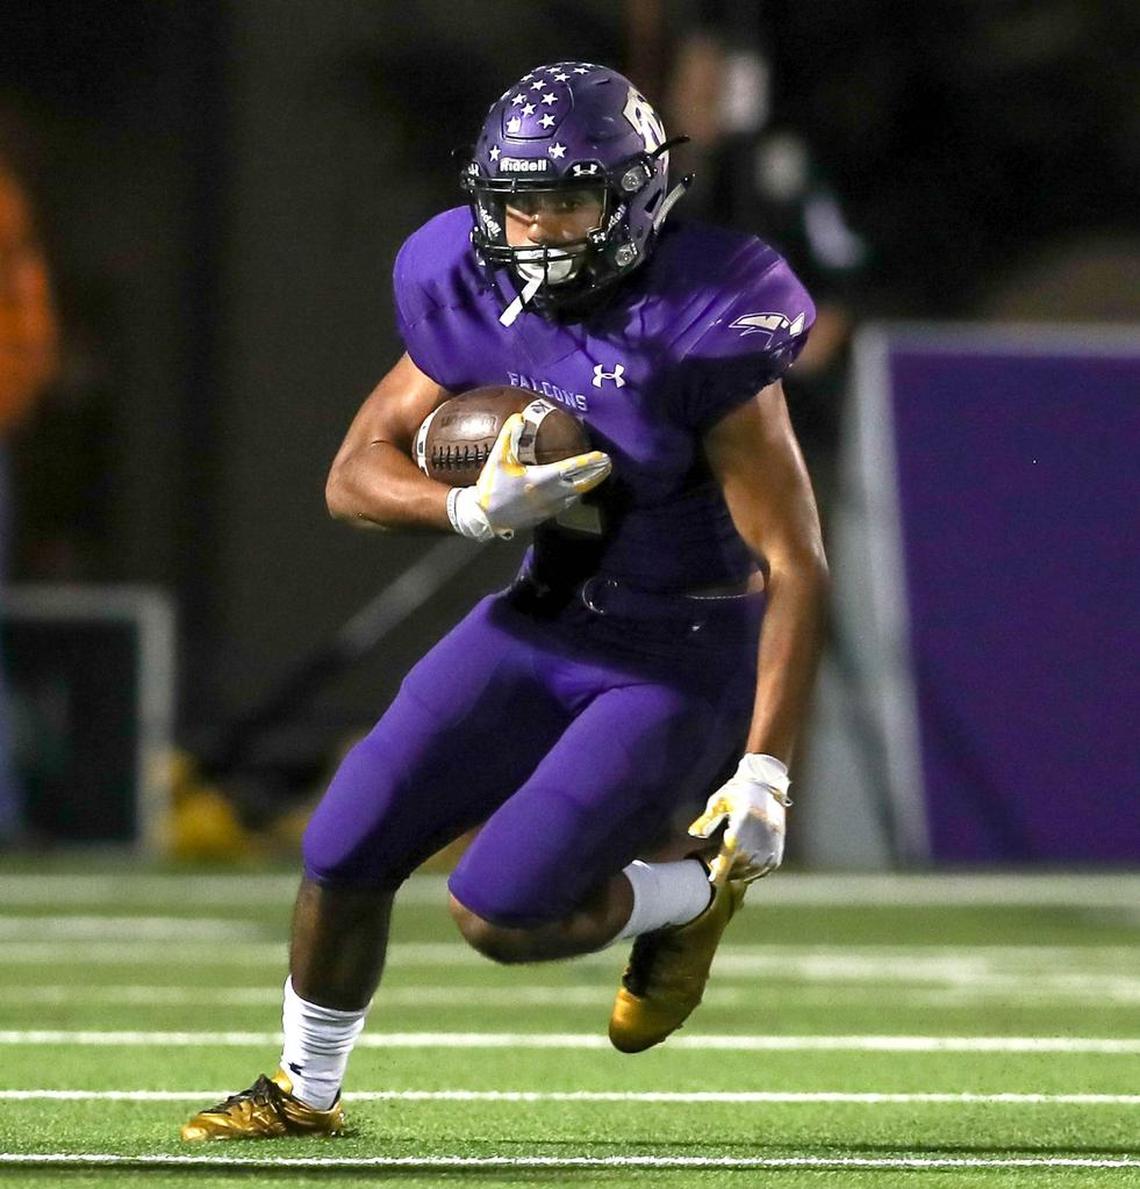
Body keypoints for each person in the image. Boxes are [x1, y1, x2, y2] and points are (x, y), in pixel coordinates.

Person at [181, 60, 827, 1141]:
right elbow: (353, 474)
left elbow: (796, 559)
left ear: (635, 197)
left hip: (683, 643)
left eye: (568, 198)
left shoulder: (707, 310)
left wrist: (766, 769)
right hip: (546, 613)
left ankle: (689, 891)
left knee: (501, 914)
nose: (536, 229)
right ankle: (305, 1091)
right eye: (517, 200)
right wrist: (467, 514)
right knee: (344, 843)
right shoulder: (468, 281)